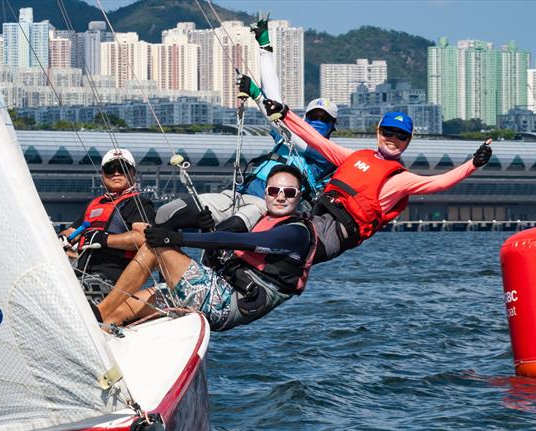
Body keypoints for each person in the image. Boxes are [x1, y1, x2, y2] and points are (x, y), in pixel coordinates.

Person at [154, 17, 337, 233]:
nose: (318, 122)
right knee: (166, 213)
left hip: (265, 208)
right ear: (304, 119)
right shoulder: (285, 135)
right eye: (313, 116)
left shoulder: (328, 156)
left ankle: (216, 254)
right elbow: (273, 96)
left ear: (333, 126)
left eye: (324, 119)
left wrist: (257, 97)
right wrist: (264, 48)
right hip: (236, 196)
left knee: (229, 228)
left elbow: (285, 127)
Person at [262, 99, 493, 263]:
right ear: (378, 132)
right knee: (273, 231)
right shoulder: (354, 156)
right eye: (388, 132)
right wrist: (286, 114)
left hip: (339, 232)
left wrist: (473, 163)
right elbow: (317, 141)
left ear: (408, 140)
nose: (393, 139)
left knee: (292, 249)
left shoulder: (403, 179)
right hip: (318, 213)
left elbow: (440, 182)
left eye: (401, 135)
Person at [95, 165, 316, 332]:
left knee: (155, 247)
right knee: (123, 309)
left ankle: (97, 314)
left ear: (298, 197)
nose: (280, 196)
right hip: (214, 289)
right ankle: (102, 333)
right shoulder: (262, 218)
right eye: (274, 190)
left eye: (289, 192)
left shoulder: (296, 233)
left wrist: (174, 238)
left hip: (226, 304)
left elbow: (234, 241)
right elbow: (218, 246)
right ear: (266, 193)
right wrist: (202, 227)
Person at [60, 148, 155, 297]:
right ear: (103, 175)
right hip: (81, 272)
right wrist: (62, 238)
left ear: (133, 173)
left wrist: (102, 238)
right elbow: (73, 231)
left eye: (123, 168)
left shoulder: (140, 203)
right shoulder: (94, 204)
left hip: (115, 277)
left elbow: (141, 238)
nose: (116, 173)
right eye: (111, 169)